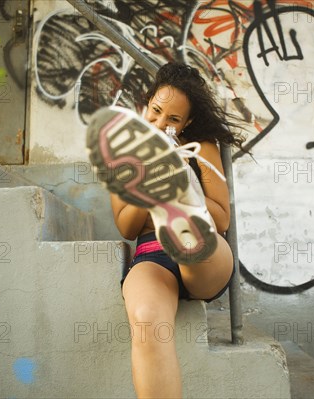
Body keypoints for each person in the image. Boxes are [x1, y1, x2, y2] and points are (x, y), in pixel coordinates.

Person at [86, 62, 246, 398]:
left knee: (192, 239)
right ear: (145, 105)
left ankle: (183, 210)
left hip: (206, 257)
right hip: (152, 257)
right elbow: (127, 226)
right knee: (145, 318)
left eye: (172, 119)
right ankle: (171, 203)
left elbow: (222, 220)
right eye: (156, 112)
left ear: (186, 122)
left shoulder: (200, 148)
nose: (160, 123)